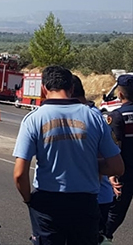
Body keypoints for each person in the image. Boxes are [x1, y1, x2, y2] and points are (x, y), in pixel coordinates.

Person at [13, 66, 123, 245]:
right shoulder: (94, 117)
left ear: (43, 89)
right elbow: (117, 166)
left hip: (47, 202)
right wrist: (88, 164)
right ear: (71, 88)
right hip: (84, 202)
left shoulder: (33, 119)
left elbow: (19, 174)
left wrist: (28, 199)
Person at [69, 75, 114, 245]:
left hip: (94, 196)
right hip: (95, 195)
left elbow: (103, 159)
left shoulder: (92, 117)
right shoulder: (91, 115)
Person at [103, 74, 133, 243]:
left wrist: (111, 175)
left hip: (123, 173)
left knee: (114, 212)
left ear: (120, 94)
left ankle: (104, 238)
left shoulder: (116, 116)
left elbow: (115, 148)